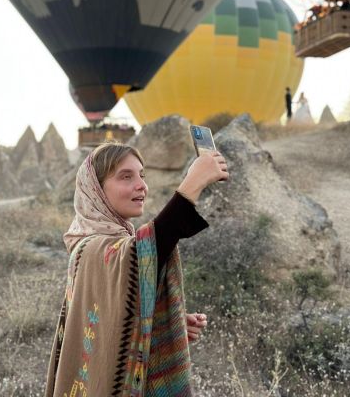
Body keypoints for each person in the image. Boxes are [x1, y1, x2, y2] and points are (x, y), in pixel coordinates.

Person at [44, 142, 228, 396]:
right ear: (95, 190)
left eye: (142, 175)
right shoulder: (91, 248)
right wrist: (192, 185)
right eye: (125, 177)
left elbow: (110, 324)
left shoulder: (108, 242)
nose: (141, 185)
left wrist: (162, 326)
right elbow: (142, 253)